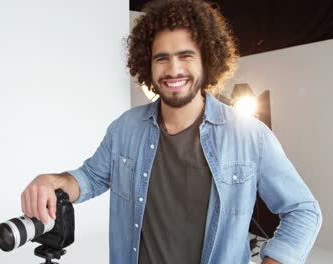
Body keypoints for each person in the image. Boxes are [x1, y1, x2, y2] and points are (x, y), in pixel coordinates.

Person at [21, 0, 322, 263]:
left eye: (186, 55)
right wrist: (52, 181)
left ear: (207, 60)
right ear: (147, 66)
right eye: (161, 58)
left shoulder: (249, 136)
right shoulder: (125, 129)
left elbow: (303, 211)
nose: (173, 69)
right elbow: (89, 178)